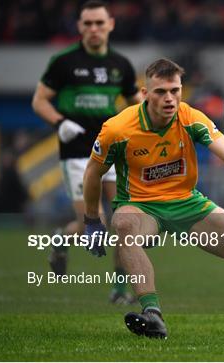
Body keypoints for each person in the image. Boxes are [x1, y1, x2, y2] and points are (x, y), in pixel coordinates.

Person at [82, 58, 224, 339]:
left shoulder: (190, 117)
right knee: (124, 226)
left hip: (188, 204)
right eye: (161, 92)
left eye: (175, 90)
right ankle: (152, 314)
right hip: (141, 207)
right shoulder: (117, 129)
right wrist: (91, 219)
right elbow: (92, 173)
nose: (170, 98)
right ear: (145, 94)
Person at [31, 1, 142, 304]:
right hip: (78, 153)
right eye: (87, 23)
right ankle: (61, 238)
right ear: (79, 27)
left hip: (112, 152)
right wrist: (60, 122)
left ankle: (119, 292)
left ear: (111, 24)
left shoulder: (121, 64)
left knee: (124, 221)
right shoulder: (64, 62)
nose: (94, 29)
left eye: (99, 23)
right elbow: (39, 101)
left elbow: (137, 104)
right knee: (94, 223)